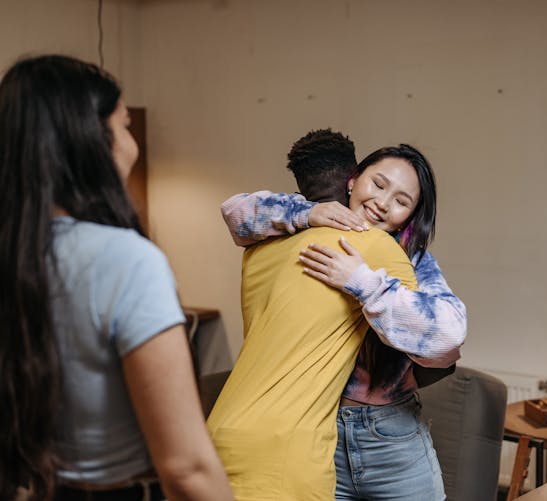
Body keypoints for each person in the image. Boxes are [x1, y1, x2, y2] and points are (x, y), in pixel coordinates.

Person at [0, 54, 233, 501]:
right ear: (91, 140)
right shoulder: (125, 260)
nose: (133, 144)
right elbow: (186, 468)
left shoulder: (16, 251)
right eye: (125, 126)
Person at [219, 131, 466, 500]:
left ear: (409, 217)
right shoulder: (304, 225)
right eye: (377, 184)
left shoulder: (408, 259)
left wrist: (362, 282)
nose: (382, 203)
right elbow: (236, 210)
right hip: (320, 433)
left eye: (401, 201)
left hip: (390, 432)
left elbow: (447, 337)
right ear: (353, 180)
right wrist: (307, 212)